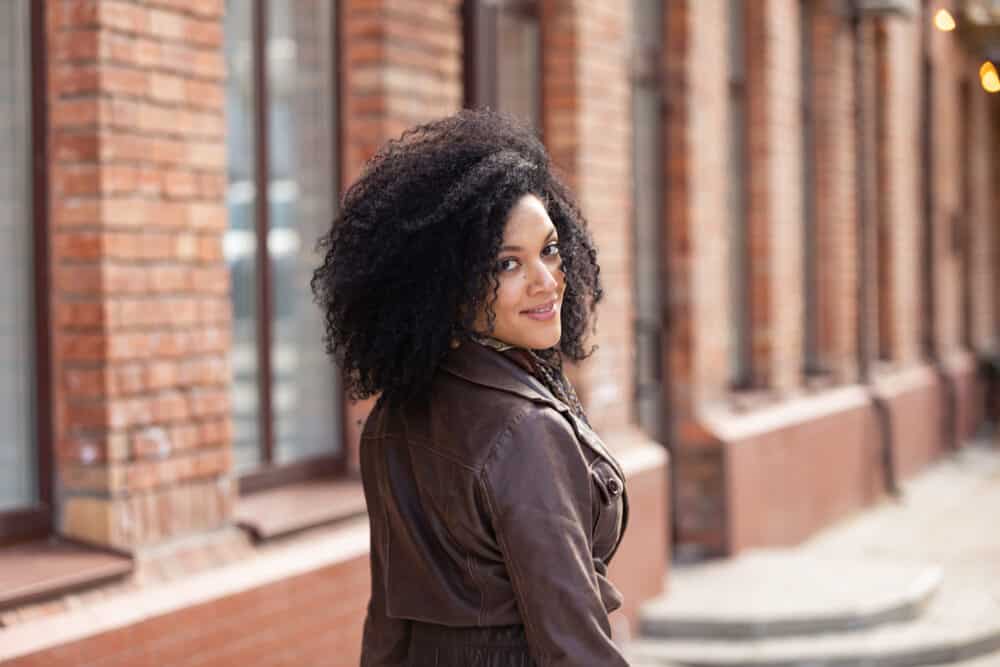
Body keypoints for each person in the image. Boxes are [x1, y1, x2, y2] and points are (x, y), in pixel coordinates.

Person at [311, 109, 630, 666]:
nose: (546, 280)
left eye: (550, 250)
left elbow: (387, 622)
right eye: (508, 263)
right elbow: (573, 645)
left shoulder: (390, 420)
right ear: (447, 282)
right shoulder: (526, 431)